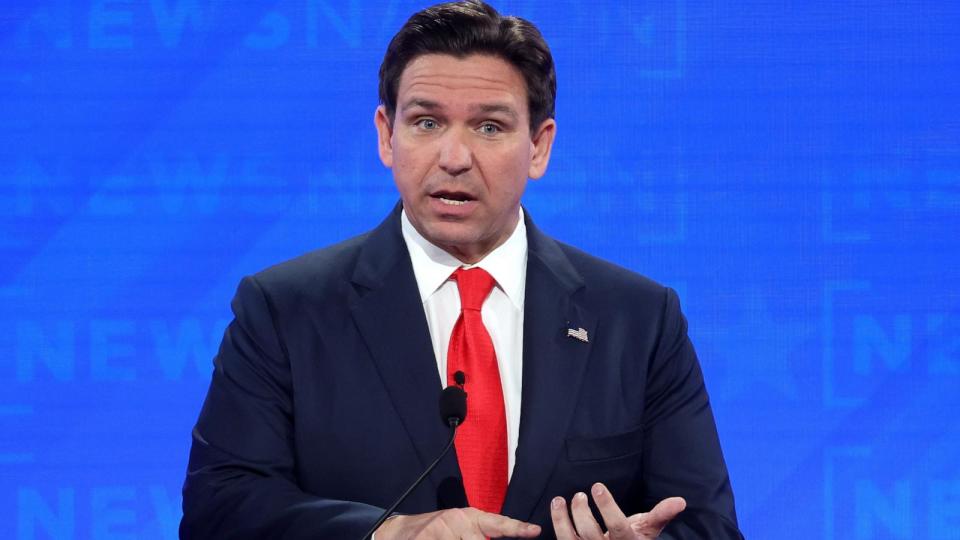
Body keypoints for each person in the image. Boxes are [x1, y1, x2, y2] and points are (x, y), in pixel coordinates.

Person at [179, 1, 742, 538]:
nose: (453, 156)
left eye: (489, 127)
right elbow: (218, 509)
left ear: (539, 147)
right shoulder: (285, 309)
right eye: (426, 122)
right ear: (386, 135)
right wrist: (386, 532)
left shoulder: (638, 319)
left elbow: (706, 526)